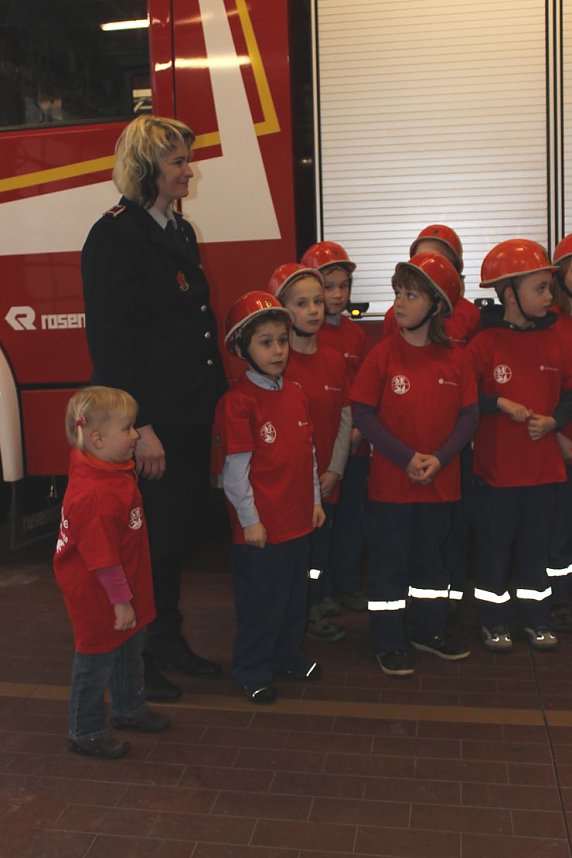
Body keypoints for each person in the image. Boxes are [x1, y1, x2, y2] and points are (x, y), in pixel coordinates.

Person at [82, 115, 227, 702]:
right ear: (146, 170)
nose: (188, 171)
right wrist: (139, 427)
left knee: (175, 535)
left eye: (186, 159)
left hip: (188, 411)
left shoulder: (177, 229)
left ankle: (167, 639)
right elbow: (113, 344)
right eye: (177, 162)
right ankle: (138, 659)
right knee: (150, 539)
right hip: (153, 420)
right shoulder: (114, 235)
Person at [351, 253, 478, 677]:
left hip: (441, 485)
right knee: (389, 564)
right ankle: (388, 639)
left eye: (410, 296)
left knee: (431, 563)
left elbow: (470, 416)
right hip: (391, 488)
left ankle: (428, 630)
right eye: (397, 295)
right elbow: (364, 415)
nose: (399, 304)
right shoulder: (382, 355)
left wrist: (440, 459)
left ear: (437, 305)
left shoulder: (457, 359)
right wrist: (407, 458)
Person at [215, 292, 326, 703]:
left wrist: (314, 500)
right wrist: (250, 522)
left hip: (297, 521)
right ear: (243, 348)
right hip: (262, 531)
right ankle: (252, 669)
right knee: (261, 603)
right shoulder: (238, 403)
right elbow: (234, 474)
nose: (278, 349)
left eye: (282, 339)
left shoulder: (296, 393)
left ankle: (287, 655)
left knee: (295, 598)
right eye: (266, 342)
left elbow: (309, 454)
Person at [54, 387, 170, 759]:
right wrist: (121, 602)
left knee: (129, 649)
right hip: (101, 592)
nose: (136, 435)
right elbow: (102, 560)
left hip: (123, 582)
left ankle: (128, 709)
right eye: (129, 428)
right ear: (99, 439)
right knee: (96, 658)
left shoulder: (108, 468)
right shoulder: (95, 495)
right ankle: (85, 731)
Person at [468, 239, 572, 652]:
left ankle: (535, 619)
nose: (550, 297)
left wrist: (555, 421)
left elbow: (568, 394)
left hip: (545, 473)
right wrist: (497, 403)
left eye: (549, 287)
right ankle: (493, 622)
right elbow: (462, 402)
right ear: (510, 295)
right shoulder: (483, 344)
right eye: (540, 289)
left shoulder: (556, 340)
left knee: (536, 553)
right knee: (494, 553)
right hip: (497, 477)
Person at [382, 225, 479, 624]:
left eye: (437, 259)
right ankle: (398, 628)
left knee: (444, 536)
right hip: (400, 466)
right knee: (398, 551)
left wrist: (440, 455)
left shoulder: (469, 316)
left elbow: (467, 404)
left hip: (448, 456)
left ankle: (441, 610)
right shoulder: (393, 325)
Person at [268, 263, 352, 641]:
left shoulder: (334, 360)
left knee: (320, 551)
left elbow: (344, 418)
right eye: (302, 303)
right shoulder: (275, 364)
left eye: (318, 301)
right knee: (291, 556)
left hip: (325, 482)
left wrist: (334, 470)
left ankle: (314, 607)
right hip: (289, 486)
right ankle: (291, 614)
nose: (315, 310)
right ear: (282, 309)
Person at [301, 241, 369, 613]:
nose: (337, 294)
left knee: (350, 523)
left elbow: (361, 392)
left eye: (343, 286)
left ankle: (345, 585)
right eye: (329, 287)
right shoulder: (302, 335)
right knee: (318, 527)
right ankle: (318, 592)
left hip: (352, 449)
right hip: (316, 455)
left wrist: (359, 433)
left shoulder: (356, 336)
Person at [546, 235, 572, 631]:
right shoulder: (548, 322)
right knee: (559, 532)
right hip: (562, 445)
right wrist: (559, 436)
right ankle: (560, 602)